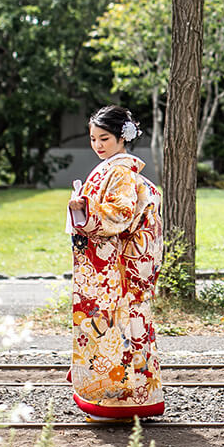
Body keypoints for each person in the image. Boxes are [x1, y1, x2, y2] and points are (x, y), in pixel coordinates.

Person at [67, 105, 165, 419]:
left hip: (117, 268)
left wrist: (84, 208)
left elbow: (119, 215)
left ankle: (115, 401)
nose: (98, 145)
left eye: (105, 138)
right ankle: (130, 398)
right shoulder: (112, 169)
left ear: (122, 137)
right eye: (94, 138)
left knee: (114, 328)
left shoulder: (120, 172)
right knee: (121, 330)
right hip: (116, 265)